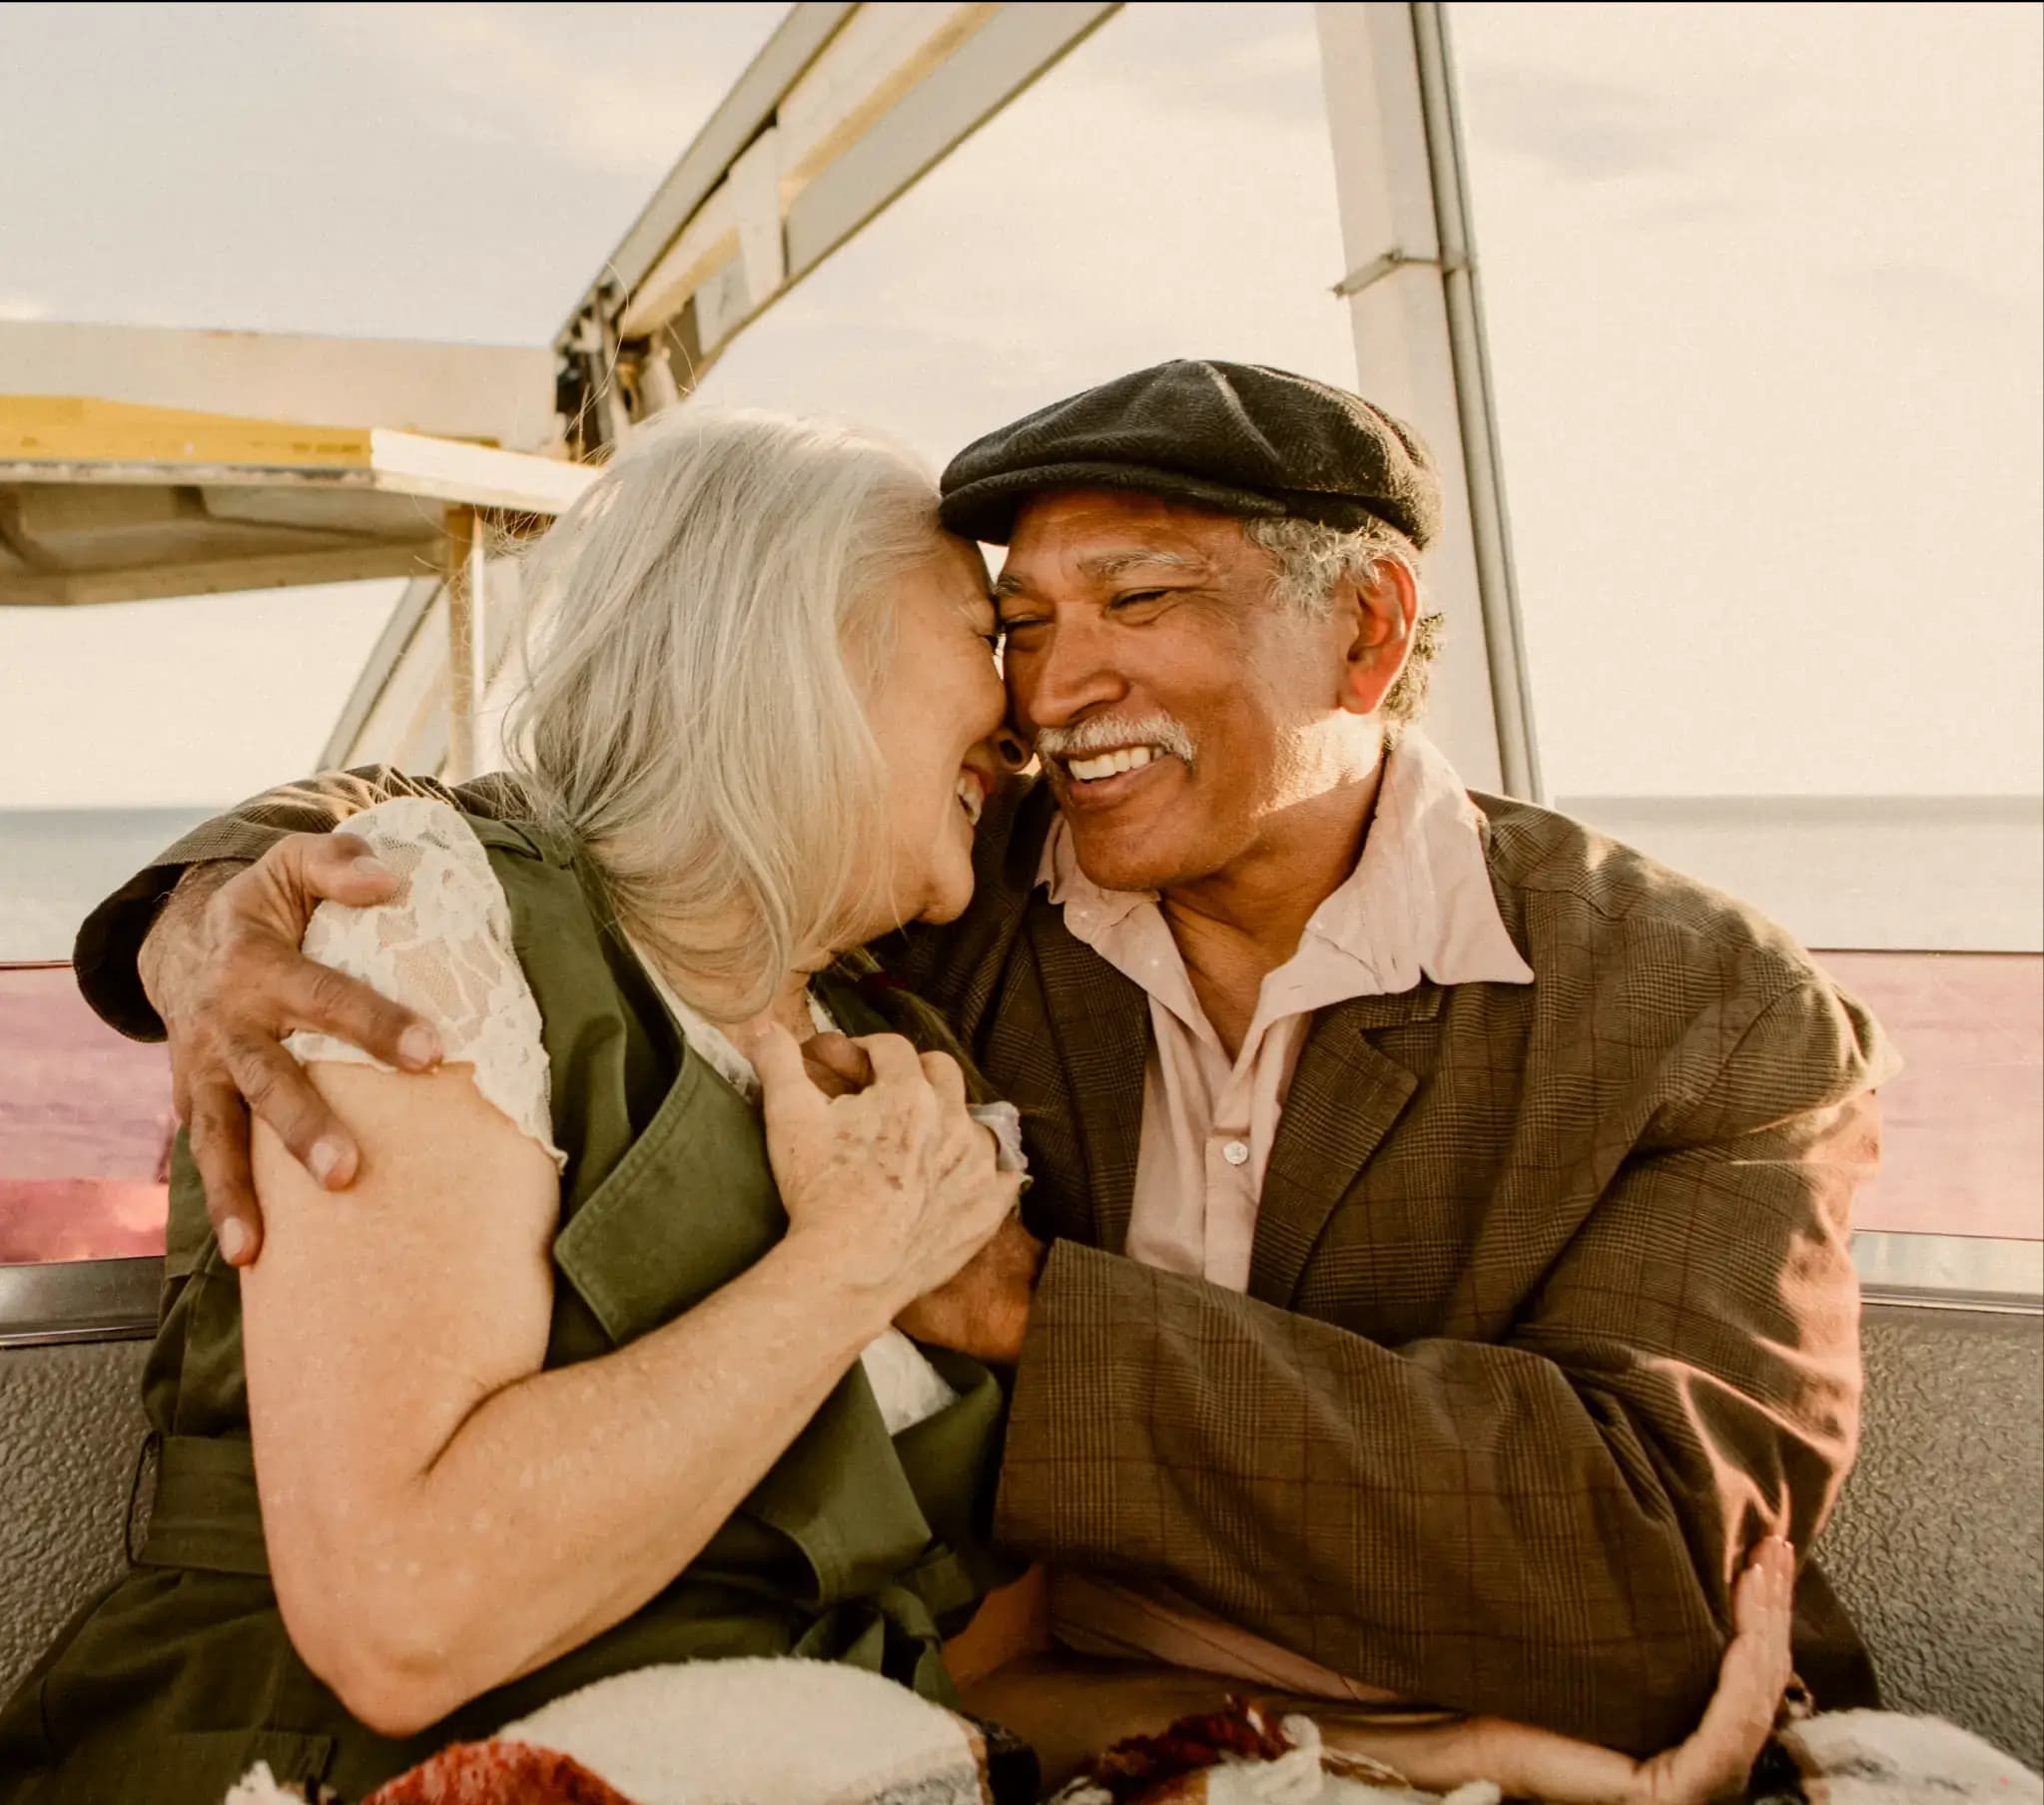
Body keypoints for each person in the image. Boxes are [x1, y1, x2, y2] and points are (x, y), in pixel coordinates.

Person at [60, 364, 1891, 1781]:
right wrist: (213, 905)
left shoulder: (1705, 1014)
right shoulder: (941, 915)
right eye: (1018, 626)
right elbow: (586, 832)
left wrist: (1029, 1310)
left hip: (1249, 1714)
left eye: (1140, 600)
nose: (1049, 695)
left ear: (1371, 631)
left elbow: (1658, 1574)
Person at [0, 408, 1035, 1805]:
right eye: (983, 632)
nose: (1025, 722)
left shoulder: (903, 1054)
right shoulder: (442, 924)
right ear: (797, 649)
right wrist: (853, 1266)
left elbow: (992, 1652)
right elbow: (402, 1617)